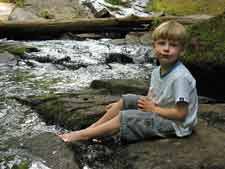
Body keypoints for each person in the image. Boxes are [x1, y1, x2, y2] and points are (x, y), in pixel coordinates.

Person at [58, 20, 198, 143]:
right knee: (127, 99)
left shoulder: (180, 78)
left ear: (182, 50)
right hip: (162, 111)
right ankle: (93, 128)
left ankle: (83, 135)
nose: (166, 49)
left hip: (176, 125)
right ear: (154, 46)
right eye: (162, 43)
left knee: (125, 117)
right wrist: (127, 105)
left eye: (173, 45)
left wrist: (153, 109)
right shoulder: (157, 71)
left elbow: (181, 114)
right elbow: (153, 97)